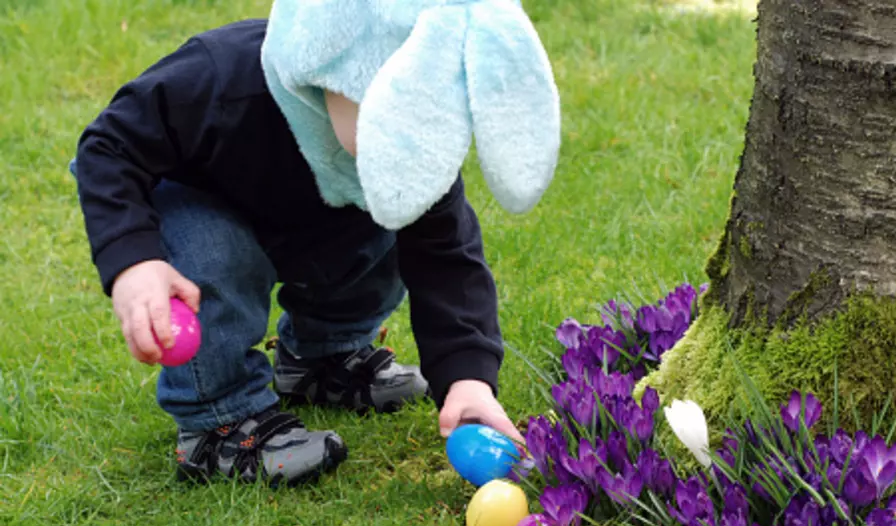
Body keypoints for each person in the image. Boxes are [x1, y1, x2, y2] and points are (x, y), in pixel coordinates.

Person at [71, 16, 545, 486]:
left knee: (396, 211)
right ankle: (217, 422)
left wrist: (468, 380)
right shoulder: (224, 77)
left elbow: (447, 261)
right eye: (391, 114)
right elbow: (109, 147)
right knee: (217, 251)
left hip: (307, 214)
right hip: (203, 199)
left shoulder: (411, 156)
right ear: (333, 68)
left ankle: (324, 357)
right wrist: (134, 261)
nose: (412, 140)